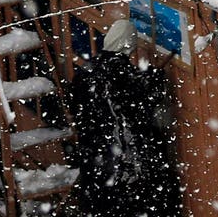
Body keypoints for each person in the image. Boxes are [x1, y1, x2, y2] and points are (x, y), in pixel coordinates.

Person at [68, 20, 180, 217]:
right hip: (120, 157)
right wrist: (152, 81)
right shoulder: (122, 75)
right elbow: (139, 105)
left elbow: (78, 107)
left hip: (95, 155)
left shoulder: (86, 72)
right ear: (128, 45)